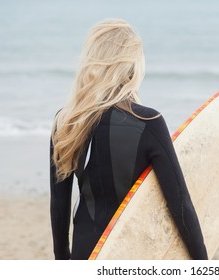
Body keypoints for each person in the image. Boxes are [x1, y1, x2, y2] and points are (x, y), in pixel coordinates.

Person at [50, 19, 208, 260]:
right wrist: (202, 264)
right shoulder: (148, 122)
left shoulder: (67, 121)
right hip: (132, 253)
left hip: (85, 252)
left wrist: (63, 261)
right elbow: (181, 205)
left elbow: (59, 206)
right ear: (132, 66)